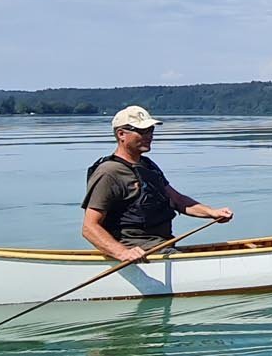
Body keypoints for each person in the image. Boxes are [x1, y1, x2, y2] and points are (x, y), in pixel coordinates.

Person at [80, 106, 235, 262]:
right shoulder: (108, 173)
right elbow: (89, 227)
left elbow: (178, 200)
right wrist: (122, 253)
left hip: (163, 246)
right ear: (121, 134)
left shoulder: (148, 166)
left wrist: (212, 213)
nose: (149, 136)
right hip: (138, 253)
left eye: (151, 130)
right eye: (142, 131)